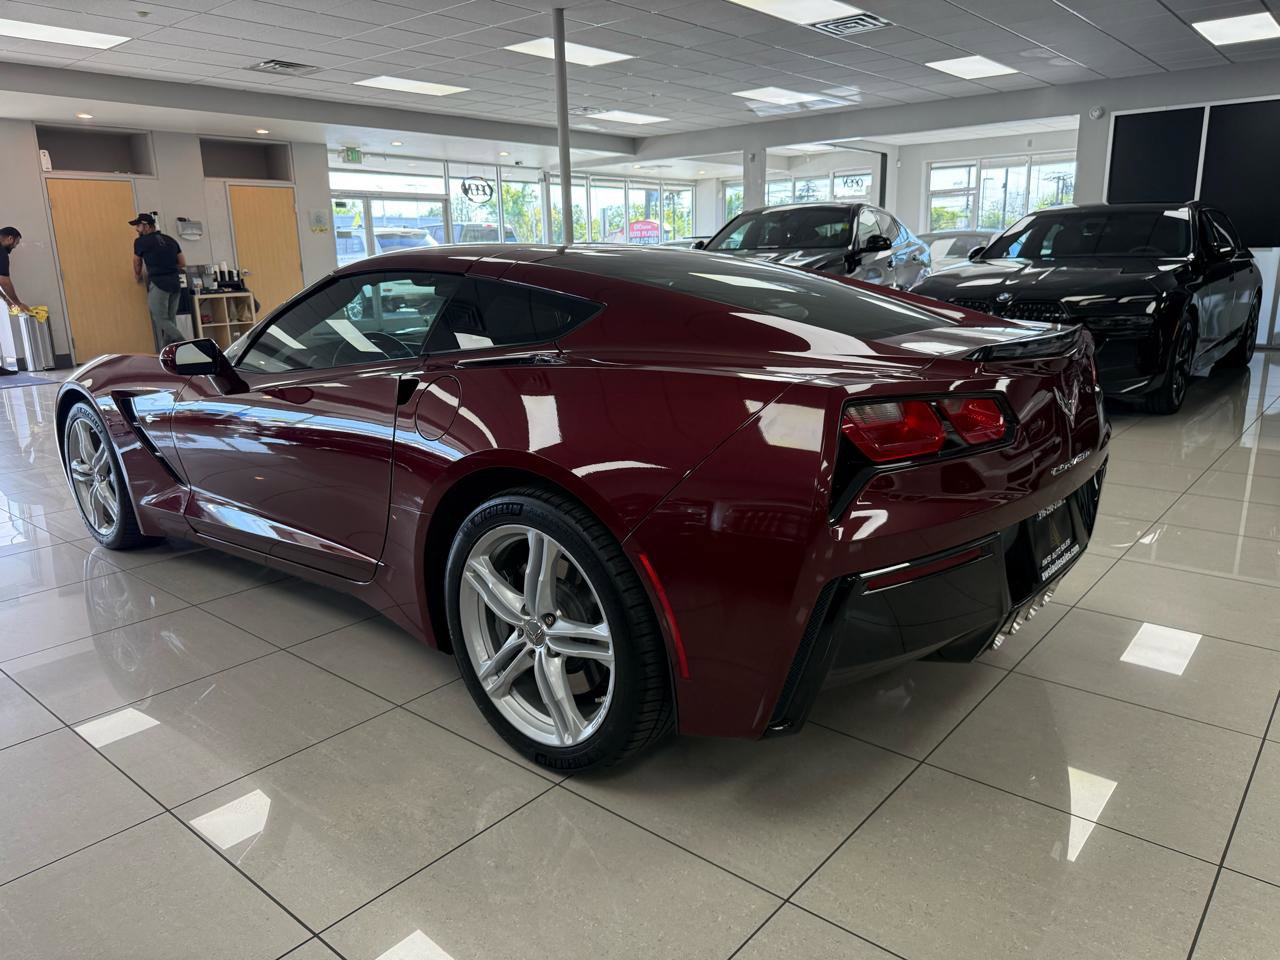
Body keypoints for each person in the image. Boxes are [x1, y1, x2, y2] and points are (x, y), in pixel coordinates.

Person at [130, 213, 186, 349]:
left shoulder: (140, 242)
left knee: (160, 318)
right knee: (170, 319)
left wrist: (137, 275)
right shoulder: (171, 240)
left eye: (138, 226)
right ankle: (166, 353)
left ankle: (185, 344)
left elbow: (137, 261)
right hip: (175, 283)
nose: (136, 229)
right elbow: (182, 262)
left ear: (147, 226)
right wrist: (169, 268)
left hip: (159, 284)